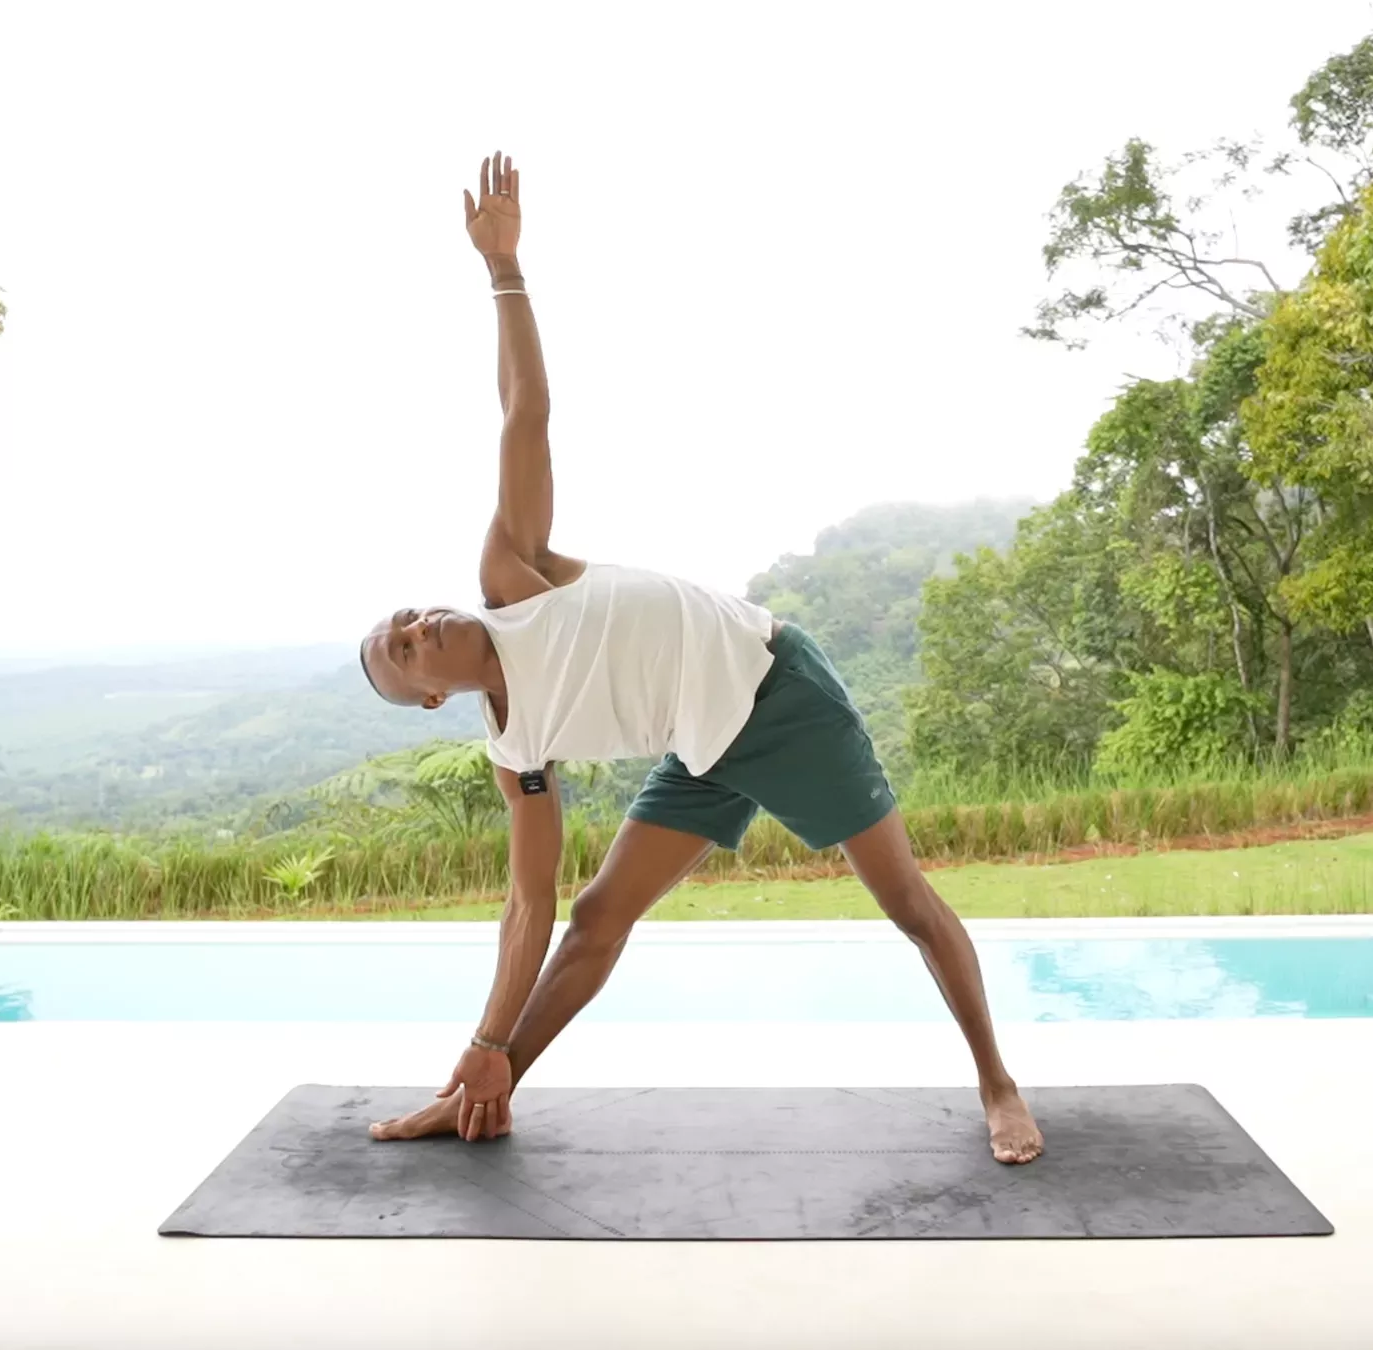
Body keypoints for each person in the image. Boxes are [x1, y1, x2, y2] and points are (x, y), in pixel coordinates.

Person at [356, 152, 1043, 1165]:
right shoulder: (520, 755)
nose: (421, 626)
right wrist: (486, 1035)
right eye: (403, 647)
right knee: (594, 919)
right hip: (699, 745)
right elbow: (527, 908)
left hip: (776, 696)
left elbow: (526, 414)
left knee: (905, 902)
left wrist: (504, 271)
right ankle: (484, 1084)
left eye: (411, 613)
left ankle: (998, 1083)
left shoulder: (514, 579)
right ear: (425, 698)